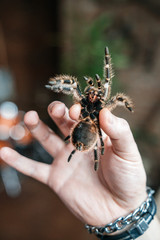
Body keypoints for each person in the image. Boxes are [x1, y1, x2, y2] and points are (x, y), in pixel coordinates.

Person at [0, 101, 160, 239]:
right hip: (83, 131)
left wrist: (127, 211)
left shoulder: (100, 116)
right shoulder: (83, 110)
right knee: (65, 110)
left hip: (87, 131)